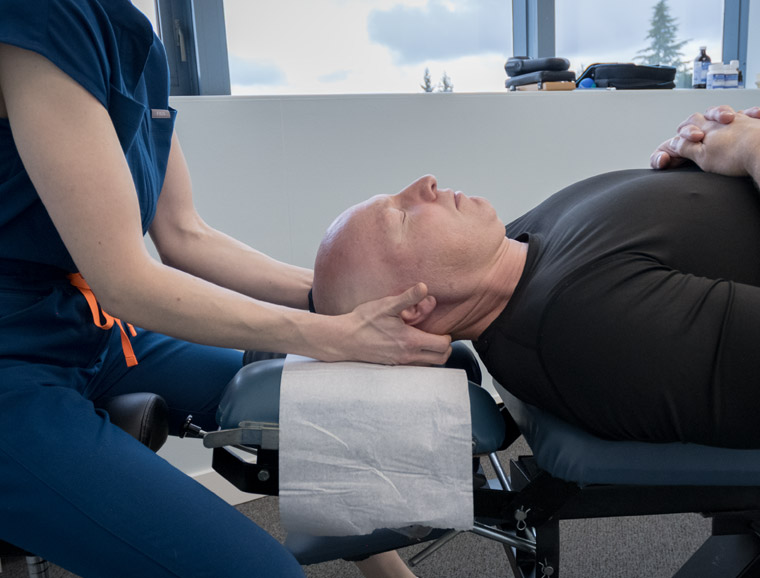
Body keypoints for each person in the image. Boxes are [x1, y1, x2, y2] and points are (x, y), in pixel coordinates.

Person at [0, 1, 451, 577]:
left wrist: (334, 300)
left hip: (89, 330)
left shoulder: (140, 46)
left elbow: (187, 236)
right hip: (13, 359)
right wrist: (330, 334)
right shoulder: (42, 15)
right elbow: (125, 282)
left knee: (327, 412)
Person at [313, 104, 760, 449]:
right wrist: (750, 149)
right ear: (414, 307)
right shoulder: (588, 324)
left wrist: (704, 146)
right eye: (402, 218)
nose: (424, 183)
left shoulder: (515, 246)